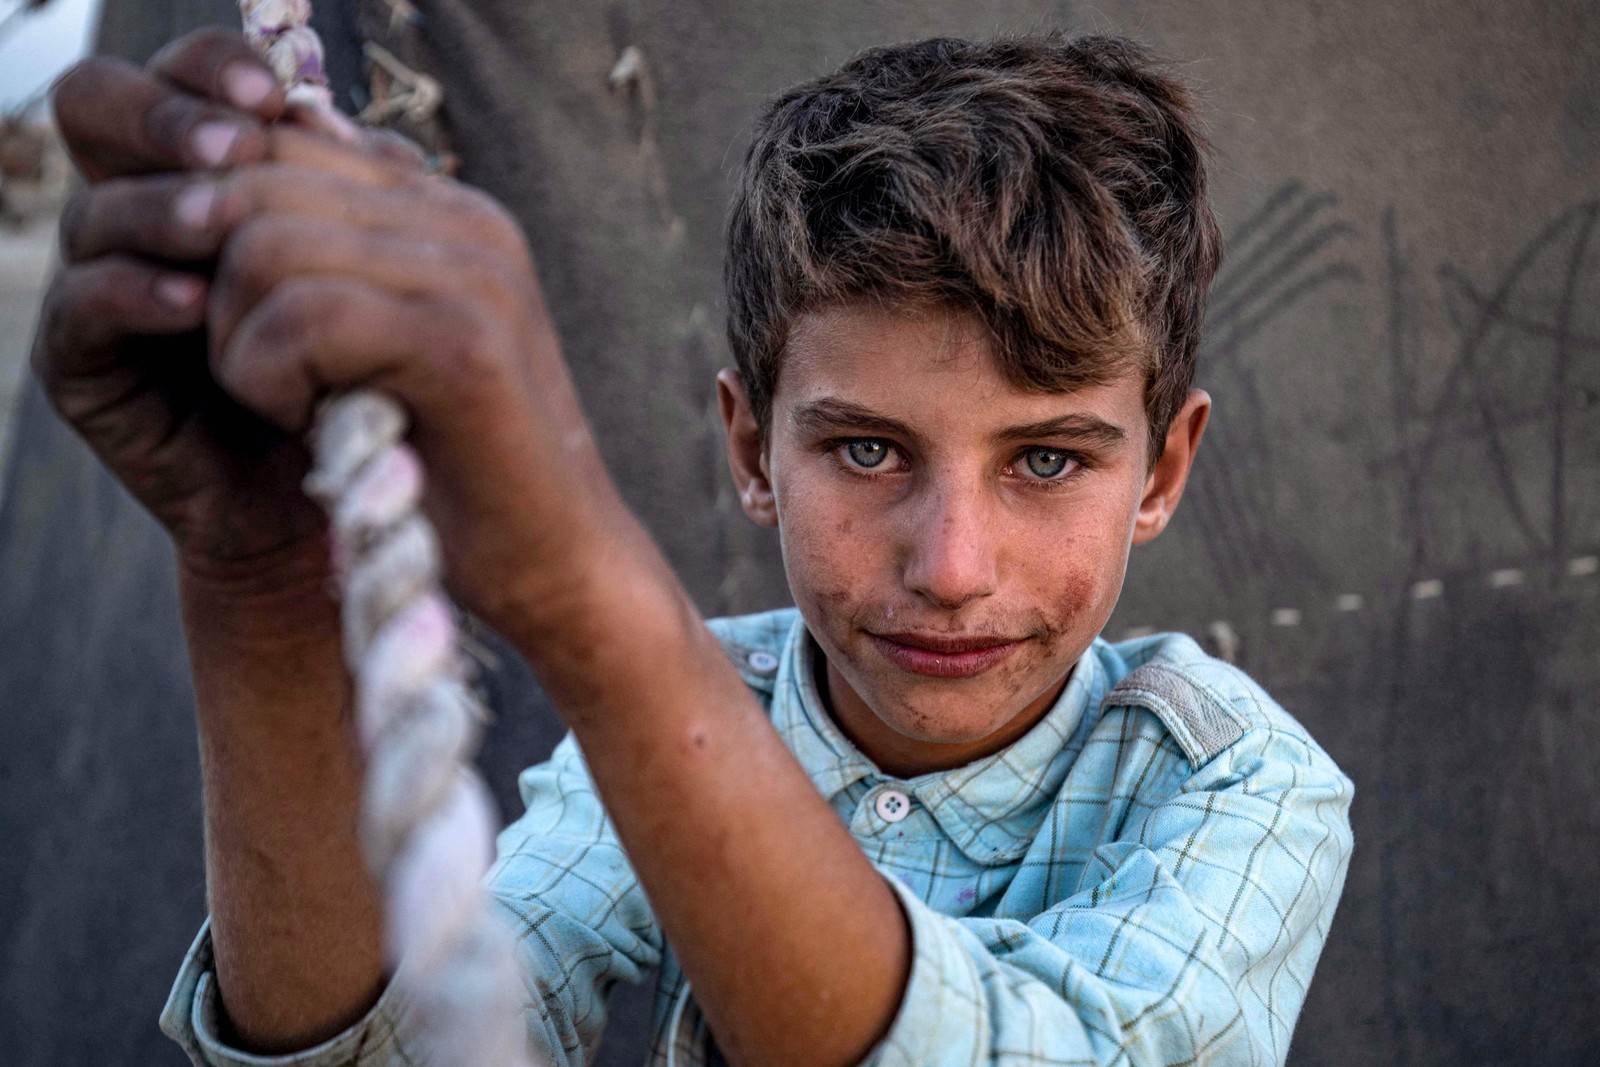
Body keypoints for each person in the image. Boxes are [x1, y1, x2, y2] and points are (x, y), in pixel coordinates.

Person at [35, 26, 1353, 1067]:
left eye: (1048, 459)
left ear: (1163, 469)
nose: (952, 566)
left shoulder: (1236, 791)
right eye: (867, 449)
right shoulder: (698, 718)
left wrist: (588, 598)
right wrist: (257, 580)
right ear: (749, 449)